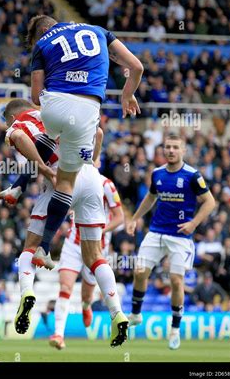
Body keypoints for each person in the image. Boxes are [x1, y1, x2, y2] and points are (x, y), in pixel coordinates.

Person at [2, 99, 128, 348]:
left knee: (31, 245)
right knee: (94, 255)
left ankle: (27, 291)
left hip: (62, 176)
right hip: (91, 177)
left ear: (11, 116)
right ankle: (116, 312)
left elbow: (19, 136)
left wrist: (40, 166)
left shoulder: (20, 122)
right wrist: (95, 158)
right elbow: (99, 132)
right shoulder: (57, 112)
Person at [26, 15, 143, 269]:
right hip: (87, 108)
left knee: (48, 132)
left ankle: (18, 184)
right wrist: (127, 95)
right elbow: (136, 67)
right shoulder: (99, 31)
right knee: (66, 181)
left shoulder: (42, 43)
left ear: (40, 31)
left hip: (54, 104)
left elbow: (36, 97)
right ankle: (44, 248)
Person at [126, 133, 216, 350]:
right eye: (168, 147)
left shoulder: (192, 176)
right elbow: (151, 197)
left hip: (181, 237)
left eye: (175, 147)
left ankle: (175, 328)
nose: (171, 151)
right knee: (139, 271)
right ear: (163, 150)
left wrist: (193, 224)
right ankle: (136, 314)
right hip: (156, 231)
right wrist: (135, 219)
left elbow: (210, 202)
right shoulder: (157, 174)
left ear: (183, 150)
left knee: (176, 281)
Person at [51, 173, 124, 349]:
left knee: (87, 294)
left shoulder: (107, 184)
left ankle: (86, 305)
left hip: (96, 245)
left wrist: (100, 229)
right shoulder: (73, 177)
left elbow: (119, 216)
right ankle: (59, 334)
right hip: (73, 244)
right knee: (65, 287)